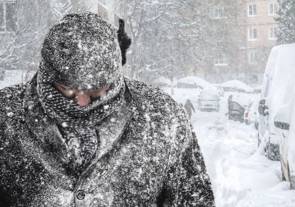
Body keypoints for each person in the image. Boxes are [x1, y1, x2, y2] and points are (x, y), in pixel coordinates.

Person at [0, 13, 214, 206]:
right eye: (67, 89)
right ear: (47, 75)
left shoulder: (163, 119)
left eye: (96, 91)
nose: (82, 103)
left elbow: (194, 200)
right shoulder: (4, 117)